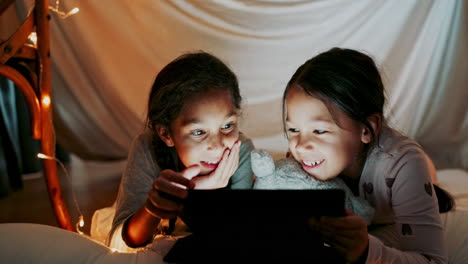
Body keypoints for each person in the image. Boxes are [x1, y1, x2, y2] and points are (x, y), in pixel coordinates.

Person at [282, 47, 452, 263]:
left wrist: (366, 251)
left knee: (424, 171)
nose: (301, 146)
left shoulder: (401, 163)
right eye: (293, 130)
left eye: (319, 130)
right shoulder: (300, 162)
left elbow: (434, 260)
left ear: (366, 128)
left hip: (414, 169)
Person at [108, 51, 255, 249]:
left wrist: (199, 190)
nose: (218, 145)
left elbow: (235, 239)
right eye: (199, 131)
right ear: (166, 134)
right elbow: (120, 243)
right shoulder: (148, 147)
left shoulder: (241, 151)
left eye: (228, 126)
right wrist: (153, 209)